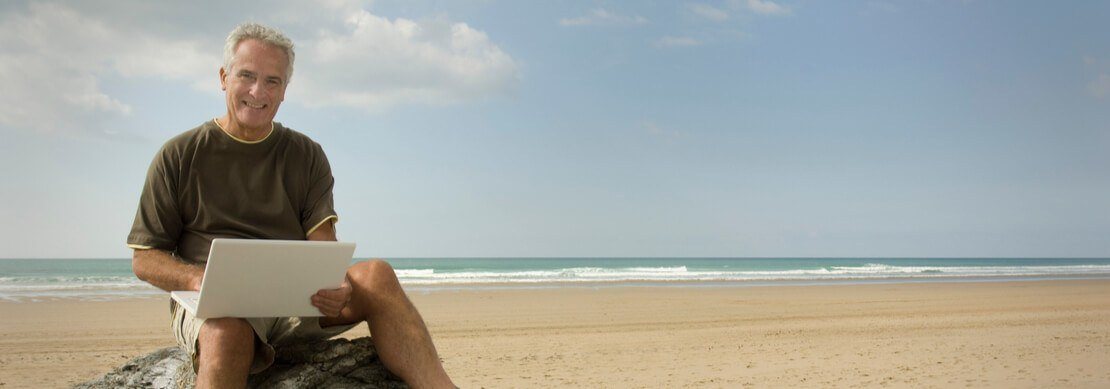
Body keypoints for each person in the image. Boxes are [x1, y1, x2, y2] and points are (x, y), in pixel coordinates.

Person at [127, 22, 455, 389]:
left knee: (377, 275)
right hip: (218, 304)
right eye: (246, 76)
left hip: (295, 301)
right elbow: (144, 257)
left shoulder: (306, 154)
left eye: (272, 81)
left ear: (284, 90)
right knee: (227, 330)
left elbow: (322, 243)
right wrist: (195, 278)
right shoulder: (179, 154)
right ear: (223, 77)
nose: (257, 91)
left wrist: (338, 285)